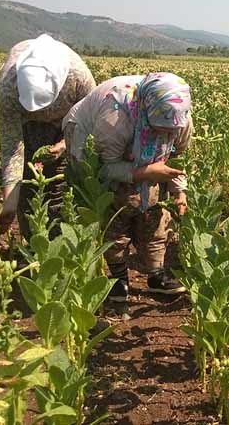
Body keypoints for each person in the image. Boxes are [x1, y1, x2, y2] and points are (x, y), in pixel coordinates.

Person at [64, 73, 193, 302]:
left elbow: (175, 157)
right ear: (146, 111)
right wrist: (144, 172)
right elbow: (103, 168)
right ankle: (117, 279)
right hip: (93, 141)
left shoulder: (177, 116)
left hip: (134, 149)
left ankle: (156, 275)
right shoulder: (115, 116)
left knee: (154, 211)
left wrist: (178, 191)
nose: (165, 135)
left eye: (169, 132)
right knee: (115, 210)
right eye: (159, 129)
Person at [0, 34, 96, 239]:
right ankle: (34, 243)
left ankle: (61, 241)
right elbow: (12, 146)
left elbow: (88, 125)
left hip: (67, 123)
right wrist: (9, 203)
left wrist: (64, 145)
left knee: (61, 187)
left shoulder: (79, 77)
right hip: (27, 127)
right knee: (28, 189)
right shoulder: (8, 86)